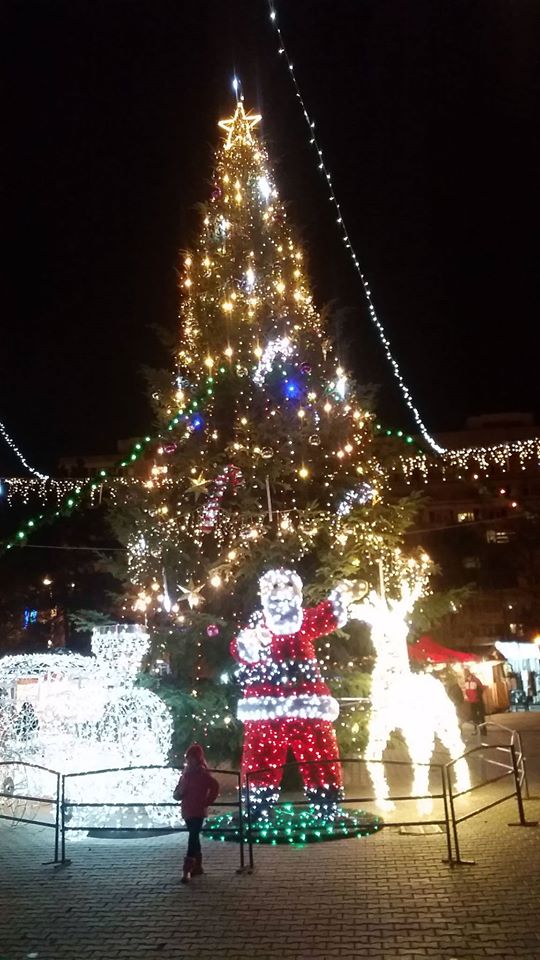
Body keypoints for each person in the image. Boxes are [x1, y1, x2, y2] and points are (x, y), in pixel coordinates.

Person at [173, 743, 219, 884]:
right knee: (194, 837)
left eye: (192, 757)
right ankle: (197, 866)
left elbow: (215, 786)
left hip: (198, 810)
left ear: (197, 758)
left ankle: (187, 869)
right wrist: (178, 794)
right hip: (187, 809)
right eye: (188, 758)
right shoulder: (185, 774)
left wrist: (207, 801)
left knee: (192, 837)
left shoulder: (203, 774)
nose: (189, 760)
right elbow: (177, 791)